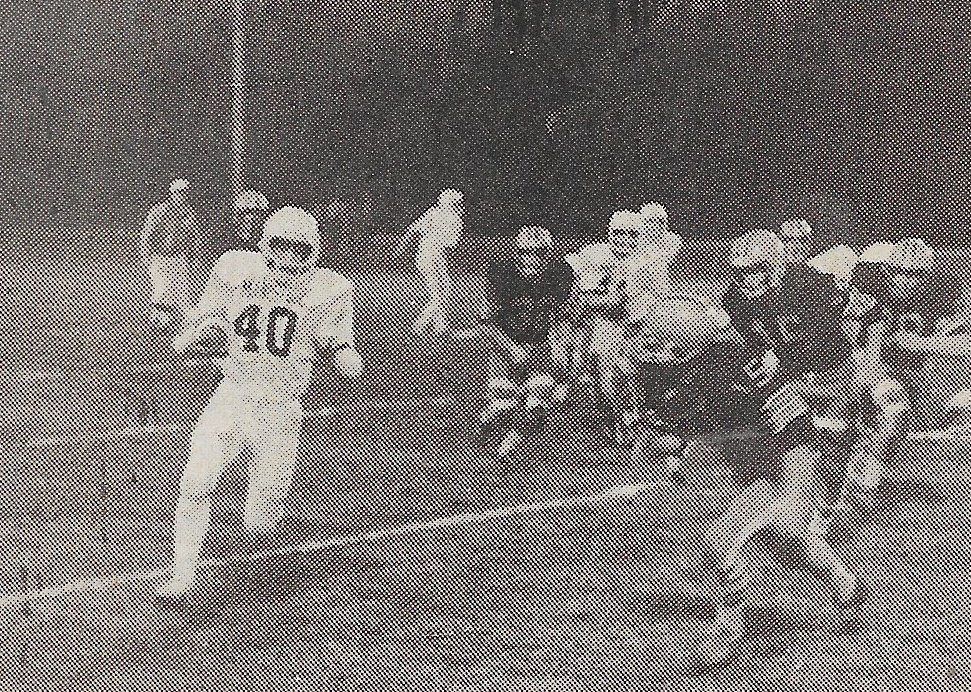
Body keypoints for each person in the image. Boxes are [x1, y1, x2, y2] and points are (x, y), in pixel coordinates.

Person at [679, 229, 868, 672]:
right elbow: (731, 343)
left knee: (775, 522)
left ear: (779, 266)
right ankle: (842, 585)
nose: (748, 281)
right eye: (742, 273)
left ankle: (728, 630)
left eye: (758, 271)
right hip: (771, 415)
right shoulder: (737, 301)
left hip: (826, 400)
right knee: (755, 530)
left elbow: (835, 357)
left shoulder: (809, 287)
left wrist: (799, 384)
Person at [155, 206, 364, 605]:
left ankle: (260, 575)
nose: (288, 257)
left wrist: (345, 355)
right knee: (197, 481)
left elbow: (337, 341)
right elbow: (211, 318)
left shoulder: (330, 288)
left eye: (298, 250)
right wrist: (203, 333)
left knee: (261, 521)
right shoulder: (236, 270)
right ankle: (184, 575)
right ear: (266, 245)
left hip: (282, 409)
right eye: (281, 247)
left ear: (313, 252)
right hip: (233, 394)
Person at [477, 225, 574, 464]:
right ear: (517, 253)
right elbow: (487, 324)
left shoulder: (560, 274)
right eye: (526, 253)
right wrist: (511, 350)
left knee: (538, 404)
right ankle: (488, 423)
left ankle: (507, 451)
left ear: (548, 254)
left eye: (539, 253)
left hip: (540, 344)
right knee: (503, 406)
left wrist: (564, 365)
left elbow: (564, 320)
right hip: (505, 344)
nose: (532, 259)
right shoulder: (503, 273)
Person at [396, 188, 464, 336]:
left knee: (443, 290)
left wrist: (402, 245)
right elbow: (451, 244)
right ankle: (420, 325)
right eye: (457, 203)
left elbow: (413, 228)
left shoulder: (434, 212)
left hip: (427, 256)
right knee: (440, 295)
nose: (460, 206)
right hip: (433, 256)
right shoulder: (453, 219)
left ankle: (440, 327)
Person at [139, 178, 200, 329]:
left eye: (185, 193)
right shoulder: (159, 211)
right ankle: (157, 321)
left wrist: (195, 258)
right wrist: (146, 256)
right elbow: (147, 234)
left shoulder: (189, 214)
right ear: (172, 194)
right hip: (160, 257)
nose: (182, 197)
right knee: (161, 289)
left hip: (179, 258)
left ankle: (186, 324)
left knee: (183, 292)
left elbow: (194, 238)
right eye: (179, 193)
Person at [209, 188, 271, 259]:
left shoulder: (265, 239)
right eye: (249, 213)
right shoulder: (225, 238)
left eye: (260, 214)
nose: (256, 219)